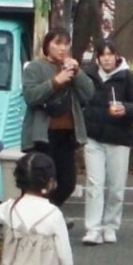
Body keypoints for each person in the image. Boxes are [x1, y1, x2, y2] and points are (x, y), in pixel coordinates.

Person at [77, 40, 133, 244]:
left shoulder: (127, 78)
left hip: (119, 138)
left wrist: (125, 109)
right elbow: (80, 100)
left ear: (116, 56)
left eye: (110, 54)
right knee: (94, 183)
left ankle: (111, 225)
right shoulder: (88, 76)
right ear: (97, 57)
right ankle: (93, 228)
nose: (106, 58)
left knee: (116, 186)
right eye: (102, 54)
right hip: (93, 137)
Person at [20, 29, 84, 209]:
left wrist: (77, 72)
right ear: (47, 45)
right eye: (58, 43)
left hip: (67, 134)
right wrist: (56, 81)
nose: (63, 48)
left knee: (67, 183)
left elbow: (88, 93)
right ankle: (42, 216)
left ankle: (50, 213)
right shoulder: (35, 67)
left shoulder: (70, 67)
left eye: (66, 44)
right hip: (43, 135)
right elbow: (31, 96)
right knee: (41, 181)